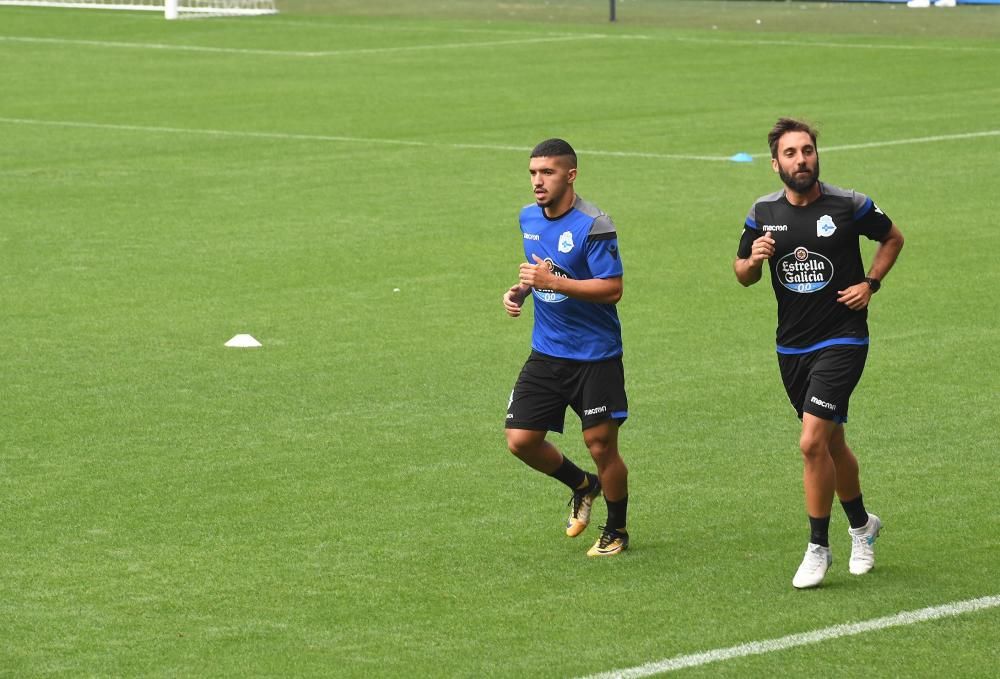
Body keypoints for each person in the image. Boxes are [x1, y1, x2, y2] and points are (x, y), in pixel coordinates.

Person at [733, 118, 904, 589]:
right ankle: (862, 526)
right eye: (791, 153)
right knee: (831, 443)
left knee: (810, 443)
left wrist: (870, 284)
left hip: (843, 339)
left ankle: (817, 547)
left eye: (807, 150)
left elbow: (893, 237)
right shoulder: (762, 212)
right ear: (776, 164)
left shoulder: (847, 205)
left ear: (816, 156)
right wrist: (754, 259)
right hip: (791, 346)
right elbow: (742, 273)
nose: (801, 160)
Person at [502, 138, 630, 557]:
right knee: (520, 440)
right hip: (548, 352)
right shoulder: (528, 218)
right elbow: (543, 271)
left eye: (547, 173)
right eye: (533, 174)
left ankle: (617, 530)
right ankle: (582, 484)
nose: (538, 182)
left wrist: (553, 284)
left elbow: (612, 289)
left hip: (596, 356)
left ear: (570, 175)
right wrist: (522, 291)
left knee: (600, 445)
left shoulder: (594, 225)